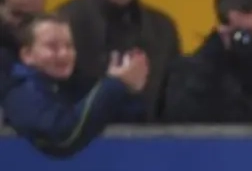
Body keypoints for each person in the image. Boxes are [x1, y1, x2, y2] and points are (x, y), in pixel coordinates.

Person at [3, 13, 148, 157]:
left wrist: (130, 90)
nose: (64, 54)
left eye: (69, 46)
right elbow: (63, 137)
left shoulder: (76, 84)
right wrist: (114, 85)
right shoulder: (19, 88)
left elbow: (130, 122)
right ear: (27, 54)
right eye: (52, 47)